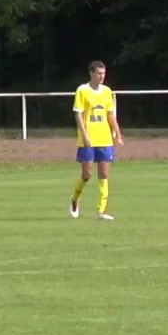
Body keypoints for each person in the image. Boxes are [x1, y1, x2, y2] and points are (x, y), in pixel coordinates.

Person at [70, 60, 123, 221]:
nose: (102, 76)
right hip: (88, 139)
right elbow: (78, 114)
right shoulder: (82, 90)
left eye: (103, 73)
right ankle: (74, 199)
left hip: (104, 138)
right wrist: (84, 135)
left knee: (104, 173)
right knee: (86, 174)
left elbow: (110, 115)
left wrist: (118, 133)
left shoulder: (107, 91)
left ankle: (102, 211)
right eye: (99, 73)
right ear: (91, 73)